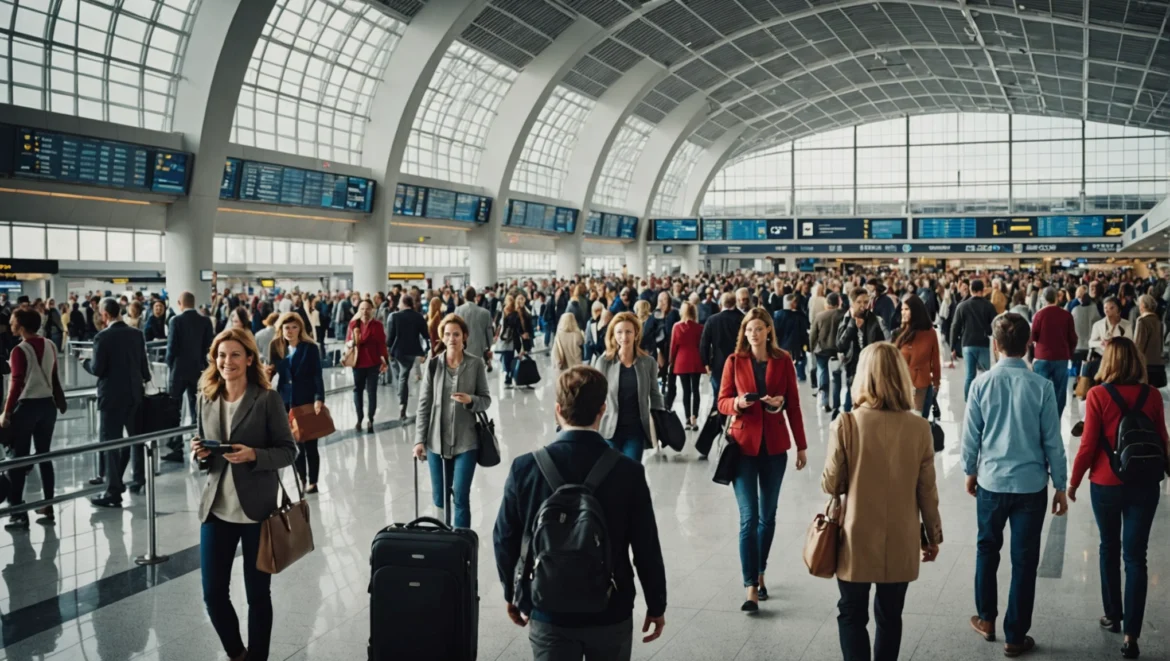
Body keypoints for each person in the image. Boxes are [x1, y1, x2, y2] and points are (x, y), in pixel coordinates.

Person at [492, 366, 667, 661]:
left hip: (547, 608)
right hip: (611, 609)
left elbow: (504, 537)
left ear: (557, 410)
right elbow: (646, 545)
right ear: (603, 409)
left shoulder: (526, 468)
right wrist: (656, 604)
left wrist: (512, 592)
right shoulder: (628, 471)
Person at [821, 342, 943, 661]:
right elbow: (926, 491)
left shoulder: (846, 424)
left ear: (863, 376)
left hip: (855, 537)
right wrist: (932, 536)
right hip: (901, 538)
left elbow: (831, 483)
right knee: (890, 616)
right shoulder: (919, 427)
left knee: (851, 613)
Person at [963, 313, 1068, 657]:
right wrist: (1060, 485)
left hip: (992, 482)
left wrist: (969, 470)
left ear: (995, 345)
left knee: (986, 549)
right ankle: (1015, 634)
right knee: (1024, 561)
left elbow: (971, 436)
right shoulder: (1042, 386)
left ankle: (987, 619)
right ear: (1028, 345)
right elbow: (1053, 441)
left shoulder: (980, 385)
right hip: (1030, 486)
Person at [191, 328, 297, 661]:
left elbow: (287, 451)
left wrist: (254, 455)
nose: (227, 361)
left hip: (257, 511)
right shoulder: (205, 396)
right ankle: (238, 653)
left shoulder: (266, 400)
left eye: (235, 354)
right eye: (221, 355)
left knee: (257, 596)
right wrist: (199, 454)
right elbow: (201, 447)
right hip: (217, 509)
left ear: (250, 358)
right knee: (212, 594)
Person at [1068, 337, 1168, 660]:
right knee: (1136, 556)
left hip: (1106, 482)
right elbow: (1163, 440)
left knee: (1109, 546)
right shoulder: (1152, 396)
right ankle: (1131, 636)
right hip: (1144, 483)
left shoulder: (1097, 395)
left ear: (1107, 362)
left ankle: (1113, 614)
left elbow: (1087, 445)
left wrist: (1073, 482)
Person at [717, 307, 808, 612]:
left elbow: (793, 404)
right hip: (742, 447)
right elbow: (722, 402)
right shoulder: (734, 361)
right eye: (749, 329)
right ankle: (750, 588)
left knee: (767, 517)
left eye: (759, 328)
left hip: (774, 447)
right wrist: (737, 404)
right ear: (744, 333)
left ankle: (760, 571)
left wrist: (802, 445)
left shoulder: (783, 361)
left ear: (769, 330)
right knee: (748, 518)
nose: (753, 334)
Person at [412, 314, 491, 529]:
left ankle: (461, 545)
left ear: (464, 336)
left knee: (460, 497)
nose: (451, 338)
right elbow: (423, 405)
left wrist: (470, 400)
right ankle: (441, 541)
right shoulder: (433, 365)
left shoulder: (475, 364)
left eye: (456, 334)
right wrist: (419, 440)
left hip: (467, 442)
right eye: (447, 334)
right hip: (436, 442)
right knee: (439, 497)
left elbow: (485, 400)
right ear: (442, 337)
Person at [85, 298, 153, 508]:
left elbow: (98, 369)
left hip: (112, 397)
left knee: (110, 443)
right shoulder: (136, 334)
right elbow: (144, 368)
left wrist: (84, 362)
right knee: (136, 438)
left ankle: (113, 490)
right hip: (134, 394)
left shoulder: (102, 337)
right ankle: (138, 479)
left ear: (105, 315)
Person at [1, 309, 63, 529]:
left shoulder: (19, 350)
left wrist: (6, 413)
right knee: (44, 456)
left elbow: (15, 384)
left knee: (18, 460)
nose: (10, 323)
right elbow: (54, 376)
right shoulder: (50, 345)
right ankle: (48, 505)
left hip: (27, 407)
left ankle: (18, 512)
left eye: (13, 320)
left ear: (21, 325)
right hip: (48, 407)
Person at [591, 311, 666, 462]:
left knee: (631, 472)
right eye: (619, 332)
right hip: (609, 430)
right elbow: (595, 396)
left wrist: (661, 423)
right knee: (610, 474)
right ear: (613, 334)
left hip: (635, 431)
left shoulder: (648, 362)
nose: (624, 337)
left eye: (628, 332)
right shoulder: (604, 362)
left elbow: (655, 394)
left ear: (636, 334)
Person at [268, 312, 325, 494]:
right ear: (281, 329)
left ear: (300, 329)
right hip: (285, 401)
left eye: (294, 327)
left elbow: (317, 375)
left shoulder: (310, 348)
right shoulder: (276, 347)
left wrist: (319, 398)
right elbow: (272, 371)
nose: (290, 331)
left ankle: (313, 481)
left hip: (306, 400)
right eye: (287, 328)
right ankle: (302, 478)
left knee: (310, 444)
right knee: (296, 444)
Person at [165, 291, 215, 462]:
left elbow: (171, 349)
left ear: (180, 303)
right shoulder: (205, 321)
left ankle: (177, 448)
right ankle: (201, 449)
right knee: (198, 411)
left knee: (174, 410)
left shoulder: (175, 321)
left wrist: (171, 366)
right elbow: (209, 348)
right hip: (199, 372)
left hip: (179, 372)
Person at [1030, 286, 1079, 418]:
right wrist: (1069, 352)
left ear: (1044, 299)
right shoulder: (1066, 315)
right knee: (1060, 391)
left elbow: (1033, 337)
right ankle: (1055, 418)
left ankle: (1042, 417)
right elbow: (1073, 338)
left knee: (1041, 391)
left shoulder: (1038, 315)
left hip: (1042, 357)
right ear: (1057, 298)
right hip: (1061, 358)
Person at [837, 288, 884, 416]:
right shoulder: (846, 319)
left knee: (870, 401)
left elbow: (880, 342)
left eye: (866, 302)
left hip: (870, 367)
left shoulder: (873, 319)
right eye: (859, 302)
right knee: (851, 399)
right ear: (852, 303)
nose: (863, 305)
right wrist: (853, 325)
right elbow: (840, 345)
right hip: (853, 367)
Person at [950, 279, 999, 400]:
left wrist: (952, 346)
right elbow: (996, 324)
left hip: (967, 343)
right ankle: (985, 399)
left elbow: (955, 326)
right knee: (985, 373)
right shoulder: (989, 305)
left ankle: (969, 401)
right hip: (983, 343)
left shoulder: (962, 306)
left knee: (969, 375)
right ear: (982, 291)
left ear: (970, 290)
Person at [895, 295, 941, 417]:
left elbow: (935, 360)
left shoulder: (930, 333)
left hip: (921, 385)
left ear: (915, 311)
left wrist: (936, 382)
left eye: (906, 309)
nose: (903, 312)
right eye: (902, 309)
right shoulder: (901, 332)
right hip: (901, 386)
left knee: (918, 422)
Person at [346, 299, 388, 433]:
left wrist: (384, 360)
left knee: (372, 391)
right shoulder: (354, 324)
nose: (365, 311)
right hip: (358, 362)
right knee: (357, 390)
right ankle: (359, 418)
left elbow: (382, 344)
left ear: (372, 310)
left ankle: (371, 418)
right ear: (359, 310)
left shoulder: (377, 325)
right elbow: (347, 341)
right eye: (362, 308)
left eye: (368, 308)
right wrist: (353, 341)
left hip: (373, 362)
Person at [386, 294, 429, 419]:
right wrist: (425, 351)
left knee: (401, 376)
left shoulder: (395, 316)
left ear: (403, 303)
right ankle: (402, 402)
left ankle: (402, 403)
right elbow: (426, 335)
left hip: (397, 351)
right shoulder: (418, 317)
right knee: (403, 376)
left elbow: (390, 338)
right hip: (412, 351)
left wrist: (387, 348)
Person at [699, 292, 744, 399]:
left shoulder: (712, 320)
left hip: (718, 363)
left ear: (721, 304)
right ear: (735, 303)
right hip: (739, 362)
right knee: (738, 393)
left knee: (719, 394)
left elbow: (704, 343)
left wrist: (706, 363)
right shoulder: (742, 319)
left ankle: (721, 414)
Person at [669, 302, 704, 430]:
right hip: (695, 360)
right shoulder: (700, 327)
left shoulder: (677, 327)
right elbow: (702, 346)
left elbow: (673, 347)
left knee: (686, 391)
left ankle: (687, 420)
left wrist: (671, 362)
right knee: (696, 390)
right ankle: (695, 418)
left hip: (681, 361)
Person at [810, 292, 846, 414]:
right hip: (837, 350)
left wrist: (811, 348)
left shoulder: (820, 316)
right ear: (838, 303)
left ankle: (824, 402)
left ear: (827, 303)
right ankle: (836, 404)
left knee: (822, 373)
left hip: (822, 350)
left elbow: (813, 335)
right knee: (836, 376)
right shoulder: (842, 315)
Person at [454, 286, 494, 370]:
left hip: (462, 348)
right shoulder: (485, 313)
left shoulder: (458, 311)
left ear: (464, 297)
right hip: (478, 350)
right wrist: (489, 347)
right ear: (475, 297)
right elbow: (489, 333)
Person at [772, 294, 809, 382]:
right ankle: (800, 375)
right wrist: (807, 344)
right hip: (795, 346)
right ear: (792, 303)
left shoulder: (776, 315)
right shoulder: (799, 316)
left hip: (781, 346)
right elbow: (803, 332)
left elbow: (775, 332)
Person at [1131, 295, 1165, 388]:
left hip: (1145, 364)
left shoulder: (1142, 321)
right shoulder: (1159, 322)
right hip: (1157, 363)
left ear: (1142, 305)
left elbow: (1138, 345)